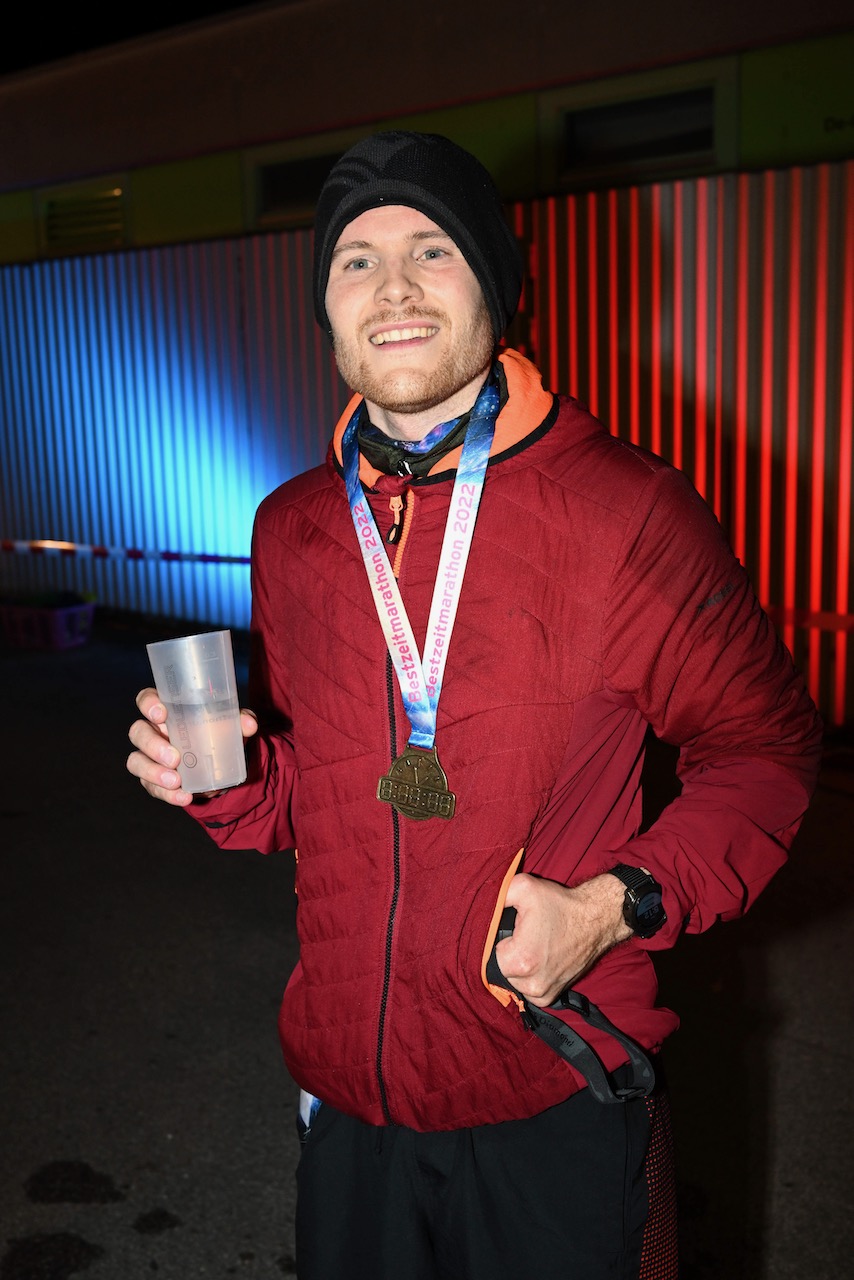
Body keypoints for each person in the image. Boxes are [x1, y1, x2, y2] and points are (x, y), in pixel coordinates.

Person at [127, 131, 823, 1279]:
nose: (391, 286)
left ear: (497, 284)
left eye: (431, 249)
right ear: (325, 304)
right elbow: (323, 792)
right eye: (354, 260)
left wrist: (612, 903)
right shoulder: (293, 528)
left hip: (549, 1072)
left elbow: (765, 750)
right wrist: (235, 780)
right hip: (352, 1093)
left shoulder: (622, 511)